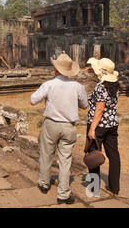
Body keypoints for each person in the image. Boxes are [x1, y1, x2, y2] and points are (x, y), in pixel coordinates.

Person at [30, 54, 88, 205]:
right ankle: (63, 194)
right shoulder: (77, 86)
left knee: (46, 155)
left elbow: (32, 100)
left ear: (56, 69)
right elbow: (84, 105)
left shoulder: (49, 85)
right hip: (69, 126)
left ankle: (44, 183)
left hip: (51, 124)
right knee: (65, 160)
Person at [86, 57, 121, 195]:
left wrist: (92, 128)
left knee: (93, 155)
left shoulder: (101, 87)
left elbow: (100, 109)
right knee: (114, 155)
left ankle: (93, 189)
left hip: (99, 125)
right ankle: (115, 187)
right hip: (112, 124)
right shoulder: (115, 85)